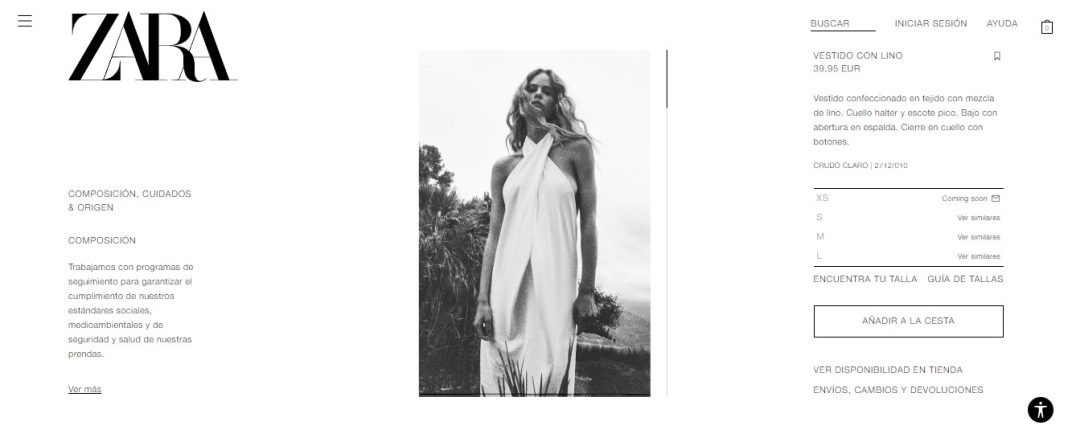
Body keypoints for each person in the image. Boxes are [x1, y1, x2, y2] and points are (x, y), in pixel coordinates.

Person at [472, 68, 598, 396]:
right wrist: (483, 300)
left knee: (551, 376)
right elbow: (494, 236)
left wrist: (587, 290)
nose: (539, 93)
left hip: (555, 289)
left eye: (547, 90)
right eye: (532, 88)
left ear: (557, 101)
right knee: (503, 380)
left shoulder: (577, 151)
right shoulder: (504, 168)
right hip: (506, 293)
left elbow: (588, 222)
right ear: (521, 98)